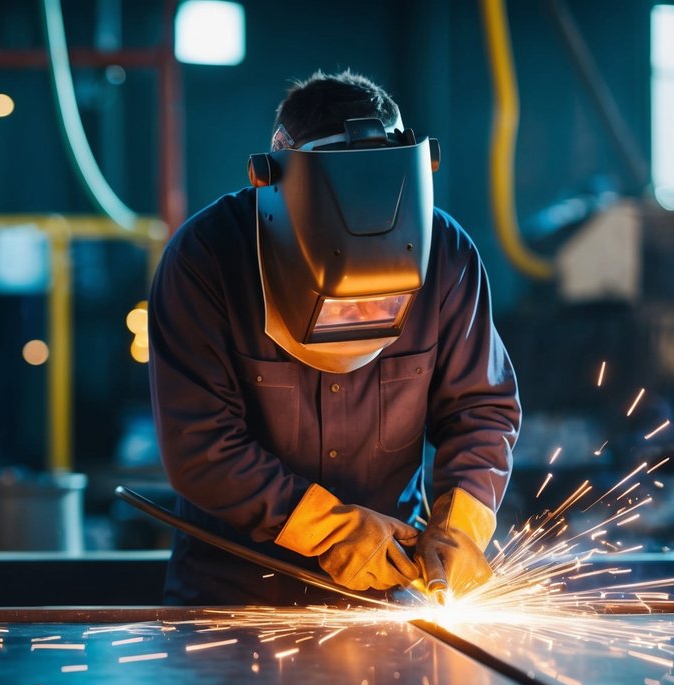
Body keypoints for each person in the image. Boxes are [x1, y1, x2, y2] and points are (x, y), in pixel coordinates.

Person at [148, 71, 520, 606]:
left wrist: (458, 526)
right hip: (235, 594)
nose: (363, 315)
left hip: (390, 589)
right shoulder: (207, 259)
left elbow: (481, 409)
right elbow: (200, 445)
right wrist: (333, 530)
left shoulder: (446, 254)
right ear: (272, 188)